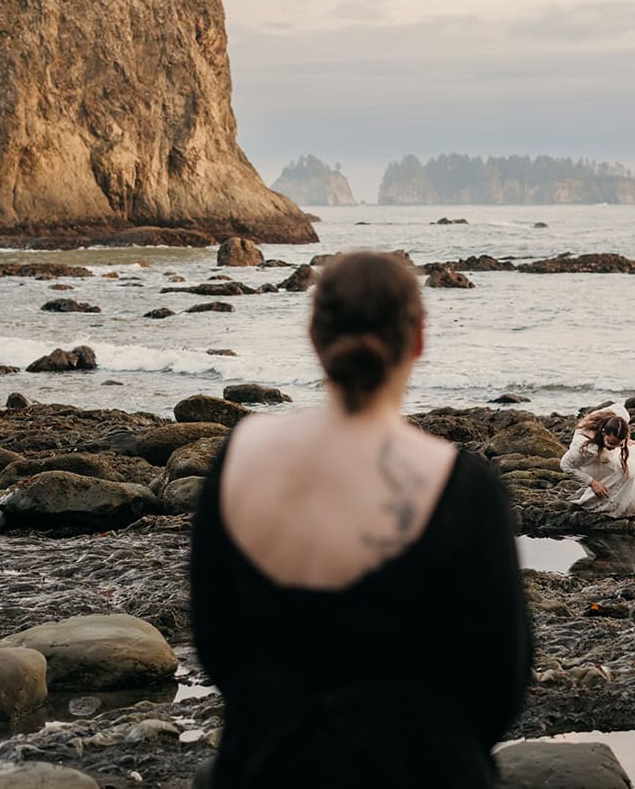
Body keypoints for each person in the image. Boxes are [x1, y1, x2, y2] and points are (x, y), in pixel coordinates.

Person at [190, 250, 533, 788]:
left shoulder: (236, 459)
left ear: (313, 336)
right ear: (419, 340)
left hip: (265, 766)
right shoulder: (463, 487)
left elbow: (216, 641)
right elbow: (500, 678)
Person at [559, 402, 635, 518]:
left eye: (618, 444)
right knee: (629, 470)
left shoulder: (618, 417)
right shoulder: (587, 448)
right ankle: (603, 502)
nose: (613, 447)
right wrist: (592, 483)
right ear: (603, 432)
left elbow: (619, 411)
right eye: (610, 443)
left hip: (606, 445)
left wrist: (626, 441)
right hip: (590, 460)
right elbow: (565, 465)